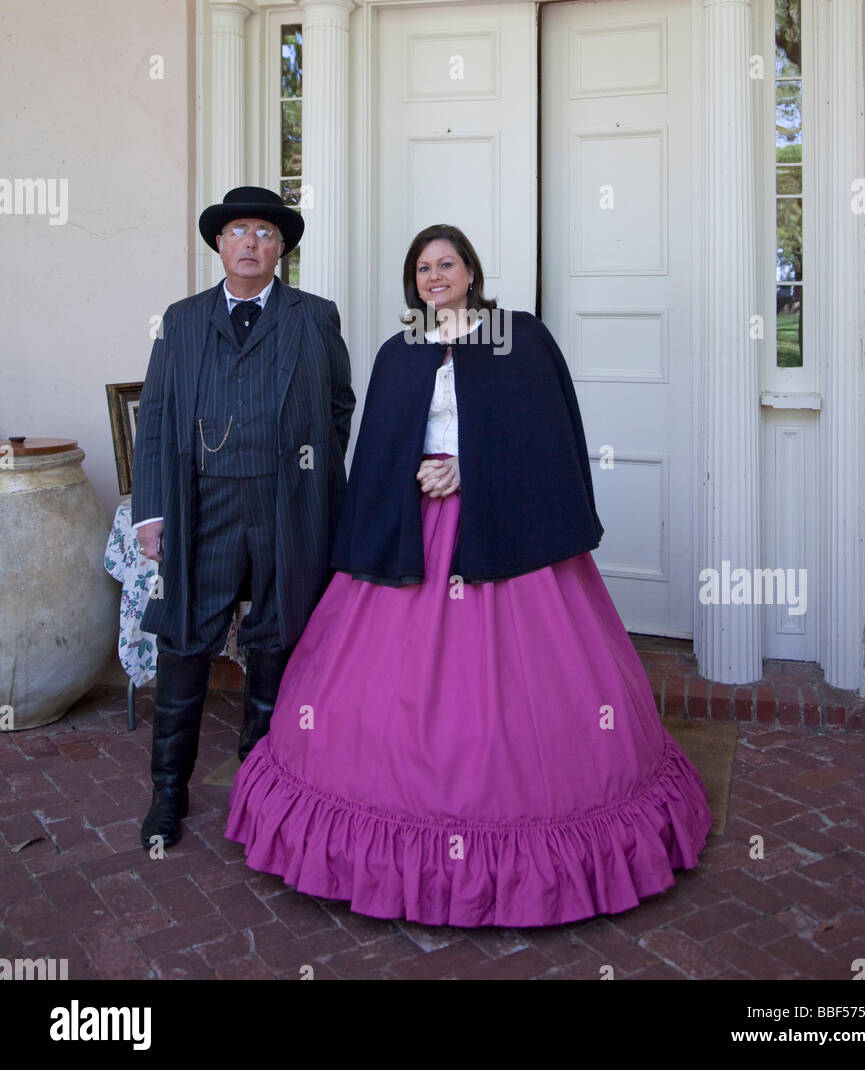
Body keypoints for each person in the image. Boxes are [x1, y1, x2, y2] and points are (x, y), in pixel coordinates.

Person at [224, 223, 712, 927]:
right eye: (422, 268)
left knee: (524, 693)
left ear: (471, 272)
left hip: (501, 539)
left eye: (446, 263)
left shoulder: (518, 339)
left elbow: (545, 443)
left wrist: (470, 472)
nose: (434, 276)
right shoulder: (399, 352)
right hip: (411, 538)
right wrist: (412, 477)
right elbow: (380, 448)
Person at [131, 186, 355, 849]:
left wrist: (311, 476)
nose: (251, 242)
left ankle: (261, 789)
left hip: (284, 505)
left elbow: (339, 404)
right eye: (239, 232)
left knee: (276, 641)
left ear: (280, 248)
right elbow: (157, 423)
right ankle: (167, 794)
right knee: (185, 644)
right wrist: (151, 512)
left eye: (264, 232)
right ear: (220, 245)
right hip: (204, 507)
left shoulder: (314, 316)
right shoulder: (182, 318)